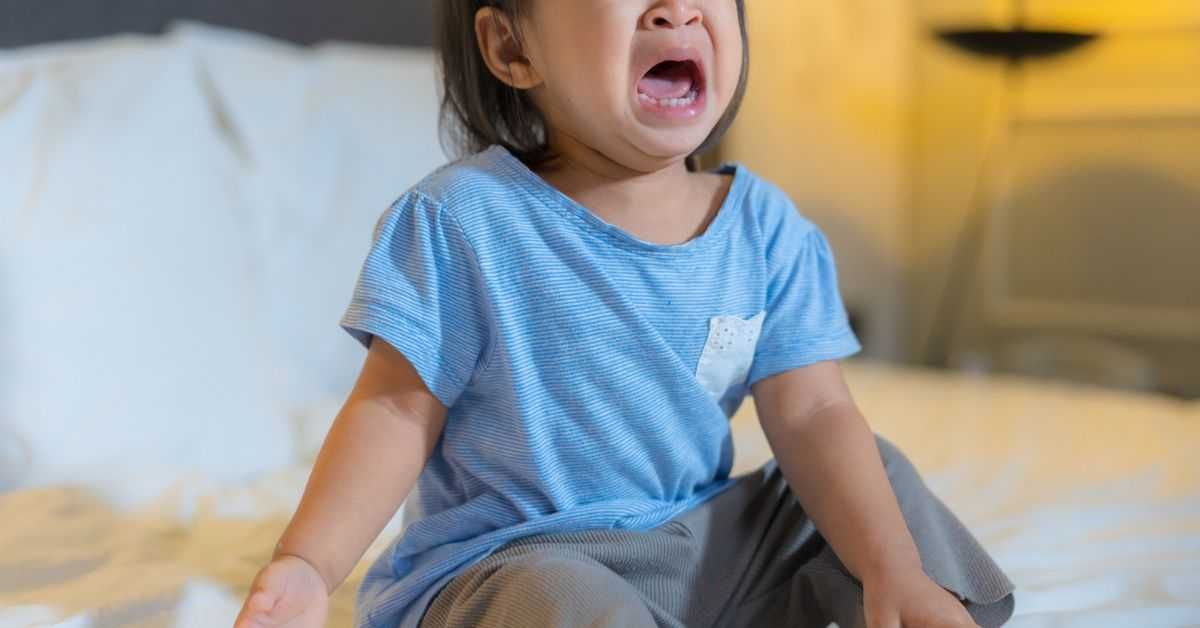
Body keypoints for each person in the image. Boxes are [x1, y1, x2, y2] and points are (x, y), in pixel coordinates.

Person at [235, 1, 1015, 627]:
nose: (676, 13)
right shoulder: (465, 219)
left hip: (696, 546)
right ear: (513, 47)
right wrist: (309, 566)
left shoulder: (766, 230)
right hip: (519, 562)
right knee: (560, 596)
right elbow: (394, 412)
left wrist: (890, 568)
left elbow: (812, 415)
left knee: (871, 480)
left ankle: (913, 608)